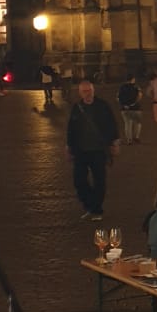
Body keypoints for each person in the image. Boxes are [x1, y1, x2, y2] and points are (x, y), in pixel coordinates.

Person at [66, 79, 120, 221]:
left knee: (99, 180)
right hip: (80, 150)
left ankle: (96, 209)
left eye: (89, 90)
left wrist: (114, 143)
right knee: (79, 181)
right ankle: (90, 204)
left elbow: (112, 124)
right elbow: (71, 128)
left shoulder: (103, 105)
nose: (87, 93)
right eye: (84, 91)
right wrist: (69, 146)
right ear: (80, 93)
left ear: (93, 90)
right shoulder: (77, 107)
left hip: (98, 150)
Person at [117, 73, 143, 144]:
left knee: (128, 124)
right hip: (136, 108)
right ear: (133, 79)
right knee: (138, 123)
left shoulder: (121, 87)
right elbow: (140, 96)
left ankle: (129, 140)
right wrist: (134, 103)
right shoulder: (136, 86)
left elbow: (118, 98)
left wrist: (124, 105)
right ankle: (136, 137)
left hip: (125, 109)